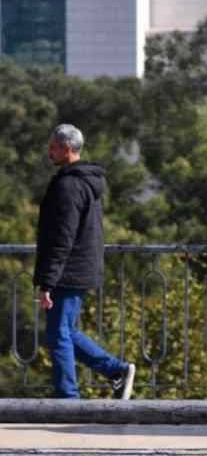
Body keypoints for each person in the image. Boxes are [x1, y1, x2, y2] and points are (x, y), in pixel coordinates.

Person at [35, 124, 135, 399]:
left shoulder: (69, 185)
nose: (49, 151)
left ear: (67, 149)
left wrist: (47, 281)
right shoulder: (82, 181)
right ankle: (117, 371)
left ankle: (68, 399)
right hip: (78, 267)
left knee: (58, 336)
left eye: (53, 147)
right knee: (66, 331)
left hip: (68, 270)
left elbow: (62, 236)